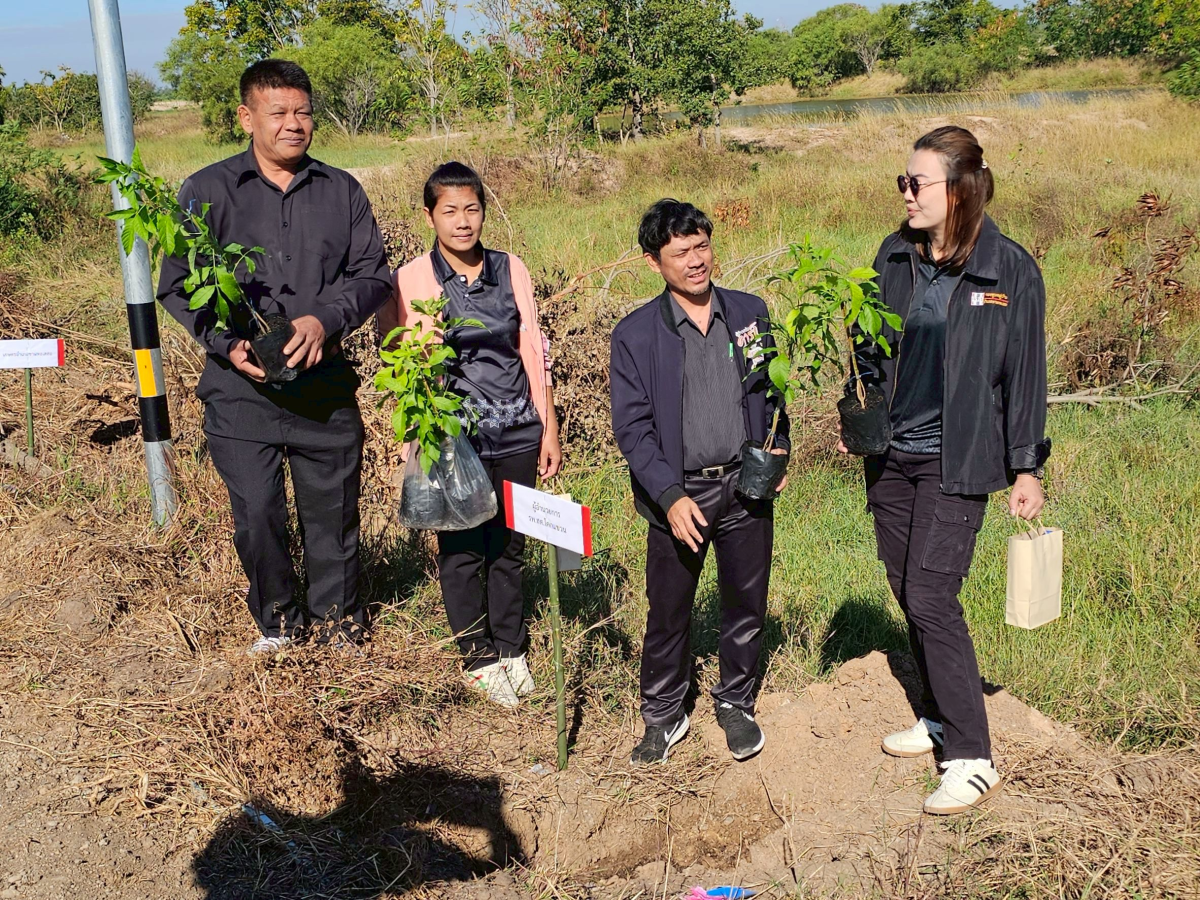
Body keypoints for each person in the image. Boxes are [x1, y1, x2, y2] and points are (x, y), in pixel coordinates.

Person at [843, 126, 1050, 814]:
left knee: (933, 595)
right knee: (907, 588)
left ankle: (971, 757)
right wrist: (860, 409)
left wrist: (1026, 467)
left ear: (958, 190)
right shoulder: (893, 255)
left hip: (956, 459)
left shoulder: (1008, 269)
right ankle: (934, 716)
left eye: (917, 183)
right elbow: (866, 345)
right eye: (901, 181)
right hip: (891, 456)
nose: (906, 193)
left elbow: (1025, 375)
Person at [157, 60, 391, 653]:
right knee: (257, 514)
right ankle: (279, 625)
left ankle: (337, 623)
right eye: (279, 112)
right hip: (240, 392)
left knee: (333, 514)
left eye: (303, 112)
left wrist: (325, 320)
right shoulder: (205, 192)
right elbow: (177, 285)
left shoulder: (341, 190)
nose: (294, 124)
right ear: (247, 117)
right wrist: (226, 344)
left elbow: (372, 277)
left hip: (323, 385)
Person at [610, 199, 789, 766]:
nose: (696, 261)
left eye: (702, 246)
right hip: (680, 495)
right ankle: (664, 714)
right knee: (668, 610)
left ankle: (736, 701)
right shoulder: (637, 335)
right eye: (680, 252)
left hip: (745, 487)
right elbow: (633, 428)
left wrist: (777, 448)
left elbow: (770, 390)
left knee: (746, 603)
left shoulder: (749, 313)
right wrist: (669, 496)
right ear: (653, 262)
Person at [379, 162, 562, 707]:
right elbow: (396, 357)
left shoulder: (510, 268)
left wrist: (549, 427)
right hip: (452, 438)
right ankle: (477, 657)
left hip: (517, 430)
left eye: (472, 209)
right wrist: (415, 439)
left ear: (484, 211)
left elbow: (534, 349)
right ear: (429, 216)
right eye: (450, 211)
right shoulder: (410, 280)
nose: (463, 222)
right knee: (461, 547)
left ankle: (511, 647)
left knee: (509, 544)